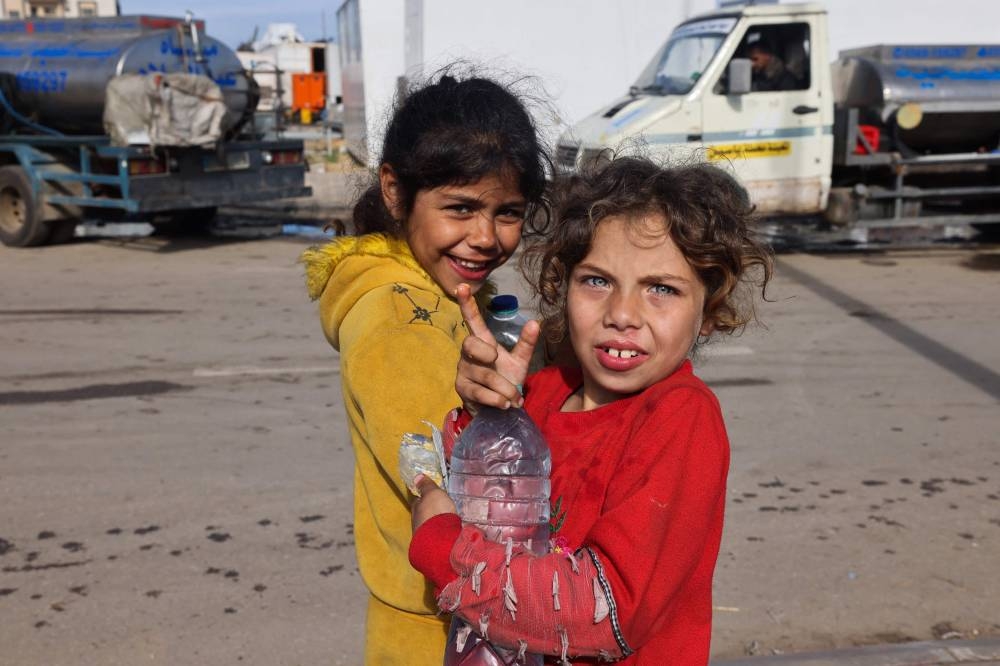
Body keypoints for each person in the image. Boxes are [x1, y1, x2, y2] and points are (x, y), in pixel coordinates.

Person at [409, 157, 773, 664]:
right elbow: (481, 500)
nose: (622, 314)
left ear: (709, 312)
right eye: (597, 281)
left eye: (661, 289)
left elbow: (602, 614)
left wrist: (442, 548)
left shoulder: (680, 418)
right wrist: (485, 414)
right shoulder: (543, 392)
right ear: (564, 284)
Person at [299, 72, 550, 666]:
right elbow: (435, 469)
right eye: (460, 208)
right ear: (394, 190)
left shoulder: (453, 298)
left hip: (461, 607)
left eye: (507, 212)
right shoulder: (398, 314)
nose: (485, 237)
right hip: (439, 625)